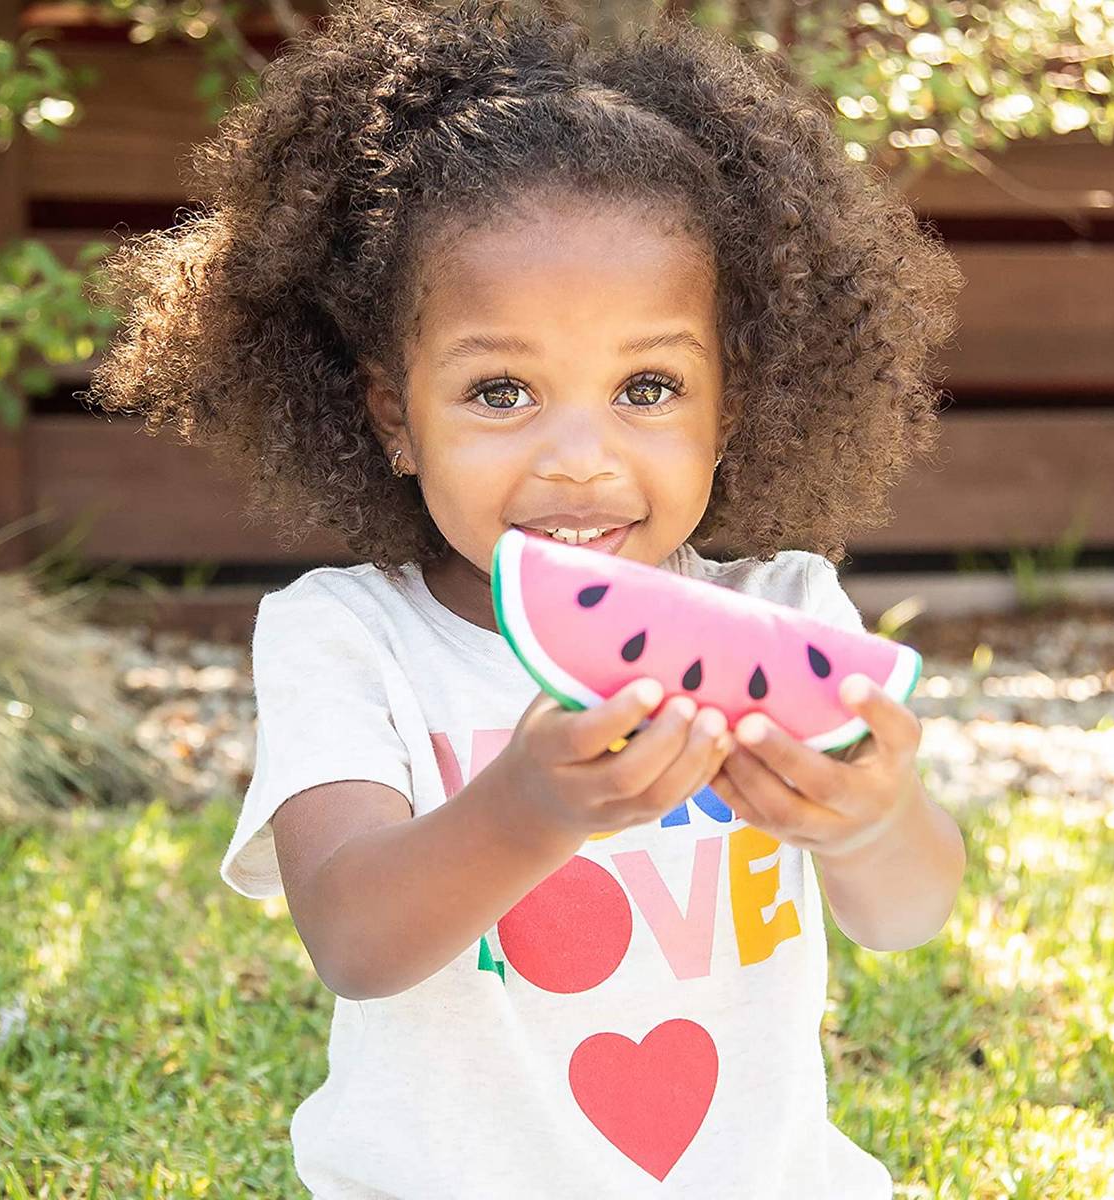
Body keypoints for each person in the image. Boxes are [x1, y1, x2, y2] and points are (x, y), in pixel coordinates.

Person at [89, 1, 968, 1194]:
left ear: (736, 404)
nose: (580, 461)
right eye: (501, 392)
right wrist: (526, 807)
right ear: (395, 413)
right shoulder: (345, 636)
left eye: (648, 387)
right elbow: (353, 939)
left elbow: (907, 913)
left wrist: (868, 818)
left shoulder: (790, 607)